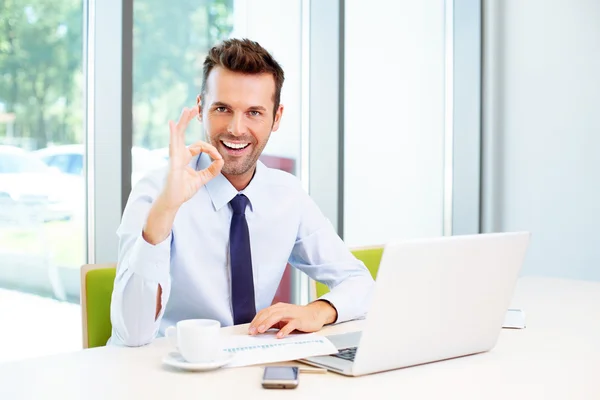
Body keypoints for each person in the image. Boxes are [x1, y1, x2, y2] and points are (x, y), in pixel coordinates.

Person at [109, 38, 374, 346]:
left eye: (254, 113)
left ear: (276, 118)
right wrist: (166, 209)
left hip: (249, 364)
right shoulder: (156, 191)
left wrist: (320, 310)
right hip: (166, 368)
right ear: (200, 109)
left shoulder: (286, 194)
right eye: (222, 108)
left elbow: (360, 284)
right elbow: (132, 333)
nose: (236, 128)